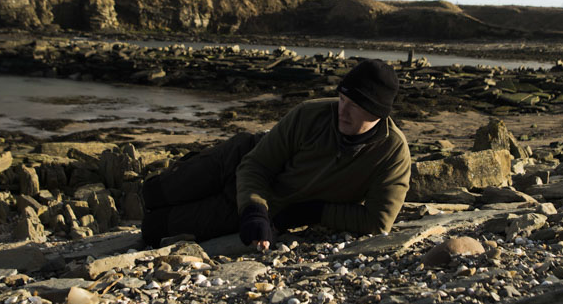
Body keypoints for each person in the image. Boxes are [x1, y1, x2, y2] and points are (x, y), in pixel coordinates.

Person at [140, 58, 411, 249]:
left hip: (263, 203)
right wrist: (254, 209)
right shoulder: (310, 114)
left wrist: (310, 213)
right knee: (152, 194)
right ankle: (179, 171)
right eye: (342, 99)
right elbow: (256, 164)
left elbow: (377, 222)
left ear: (377, 113)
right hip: (238, 160)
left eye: (354, 106)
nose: (342, 110)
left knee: (152, 229)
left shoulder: (392, 153)